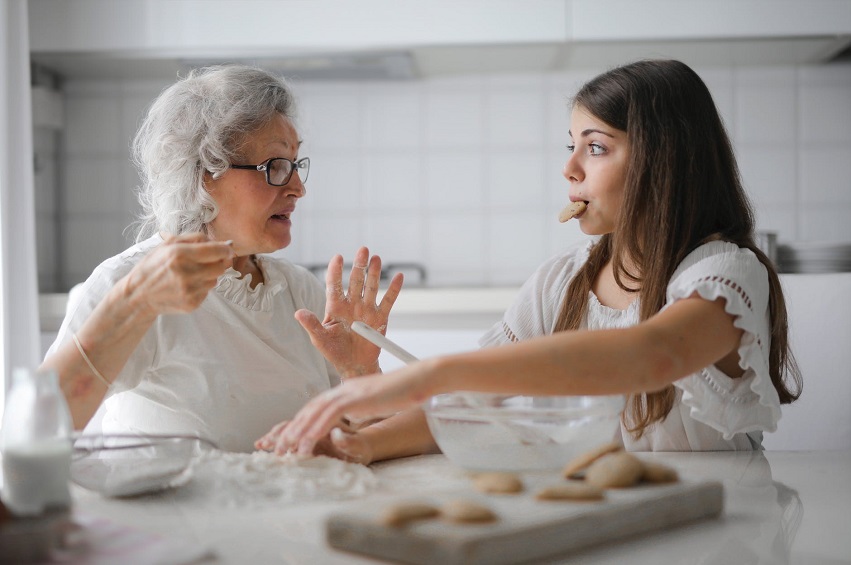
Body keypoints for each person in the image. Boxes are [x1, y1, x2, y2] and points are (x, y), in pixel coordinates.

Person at [257, 59, 802, 460]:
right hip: (606, 525)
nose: (569, 168)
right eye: (570, 145)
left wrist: (435, 371)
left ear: (665, 161)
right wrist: (361, 444)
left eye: (595, 146)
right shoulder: (561, 281)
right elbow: (475, 404)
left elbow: (653, 354)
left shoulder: (725, 274)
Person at [41, 65, 403, 453]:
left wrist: (360, 374)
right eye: (275, 167)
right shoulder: (129, 282)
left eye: (296, 165)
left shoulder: (299, 291)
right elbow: (41, 425)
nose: (298, 188)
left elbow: (359, 444)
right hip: (175, 514)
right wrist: (132, 304)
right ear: (202, 175)